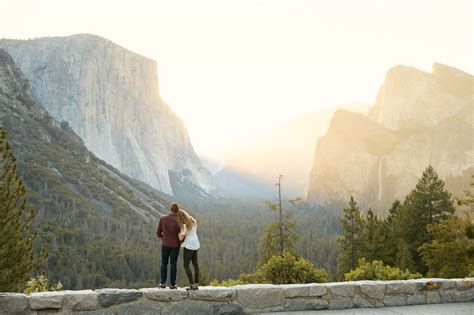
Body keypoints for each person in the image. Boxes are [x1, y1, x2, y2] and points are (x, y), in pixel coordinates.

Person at [156, 202, 181, 289]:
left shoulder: (163, 219)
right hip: (175, 245)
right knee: (173, 264)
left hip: (165, 244)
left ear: (170, 209)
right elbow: (181, 235)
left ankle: (162, 283)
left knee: (164, 263)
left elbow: (158, 233)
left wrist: (164, 238)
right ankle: (173, 284)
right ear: (177, 210)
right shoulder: (178, 220)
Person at [176, 209, 200, 290]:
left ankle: (192, 284)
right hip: (196, 244)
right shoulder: (192, 220)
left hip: (189, 245)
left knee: (186, 265)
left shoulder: (184, 225)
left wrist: (178, 233)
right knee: (195, 264)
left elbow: (180, 238)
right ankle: (196, 283)